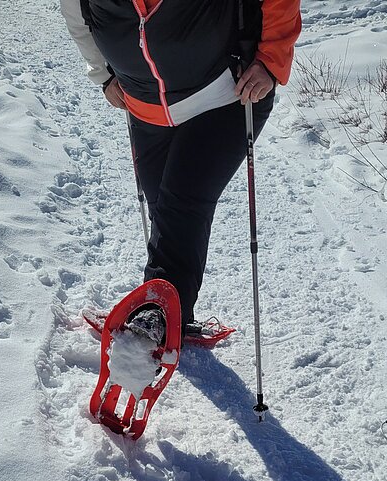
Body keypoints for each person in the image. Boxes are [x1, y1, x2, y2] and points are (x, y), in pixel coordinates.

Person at [60, 0, 301, 344]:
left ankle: (153, 314)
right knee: (164, 206)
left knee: (182, 203)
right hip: (144, 107)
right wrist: (103, 74)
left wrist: (270, 60)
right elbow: (79, 18)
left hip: (225, 96)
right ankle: (176, 314)